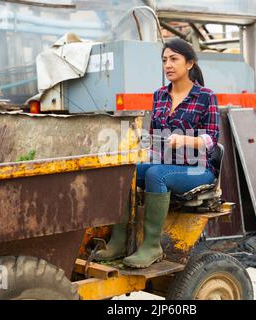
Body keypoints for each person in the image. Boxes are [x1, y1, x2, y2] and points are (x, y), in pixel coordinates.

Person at [95, 38, 220, 268]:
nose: (168, 65)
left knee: (156, 174)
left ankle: (152, 246)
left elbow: (212, 141)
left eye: (174, 59)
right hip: (164, 163)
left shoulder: (205, 96)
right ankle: (119, 241)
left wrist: (184, 140)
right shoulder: (159, 95)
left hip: (197, 169)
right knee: (124, 171)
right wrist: (145, 146)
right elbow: (155, 137)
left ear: (189, 63)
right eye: (164, 60)